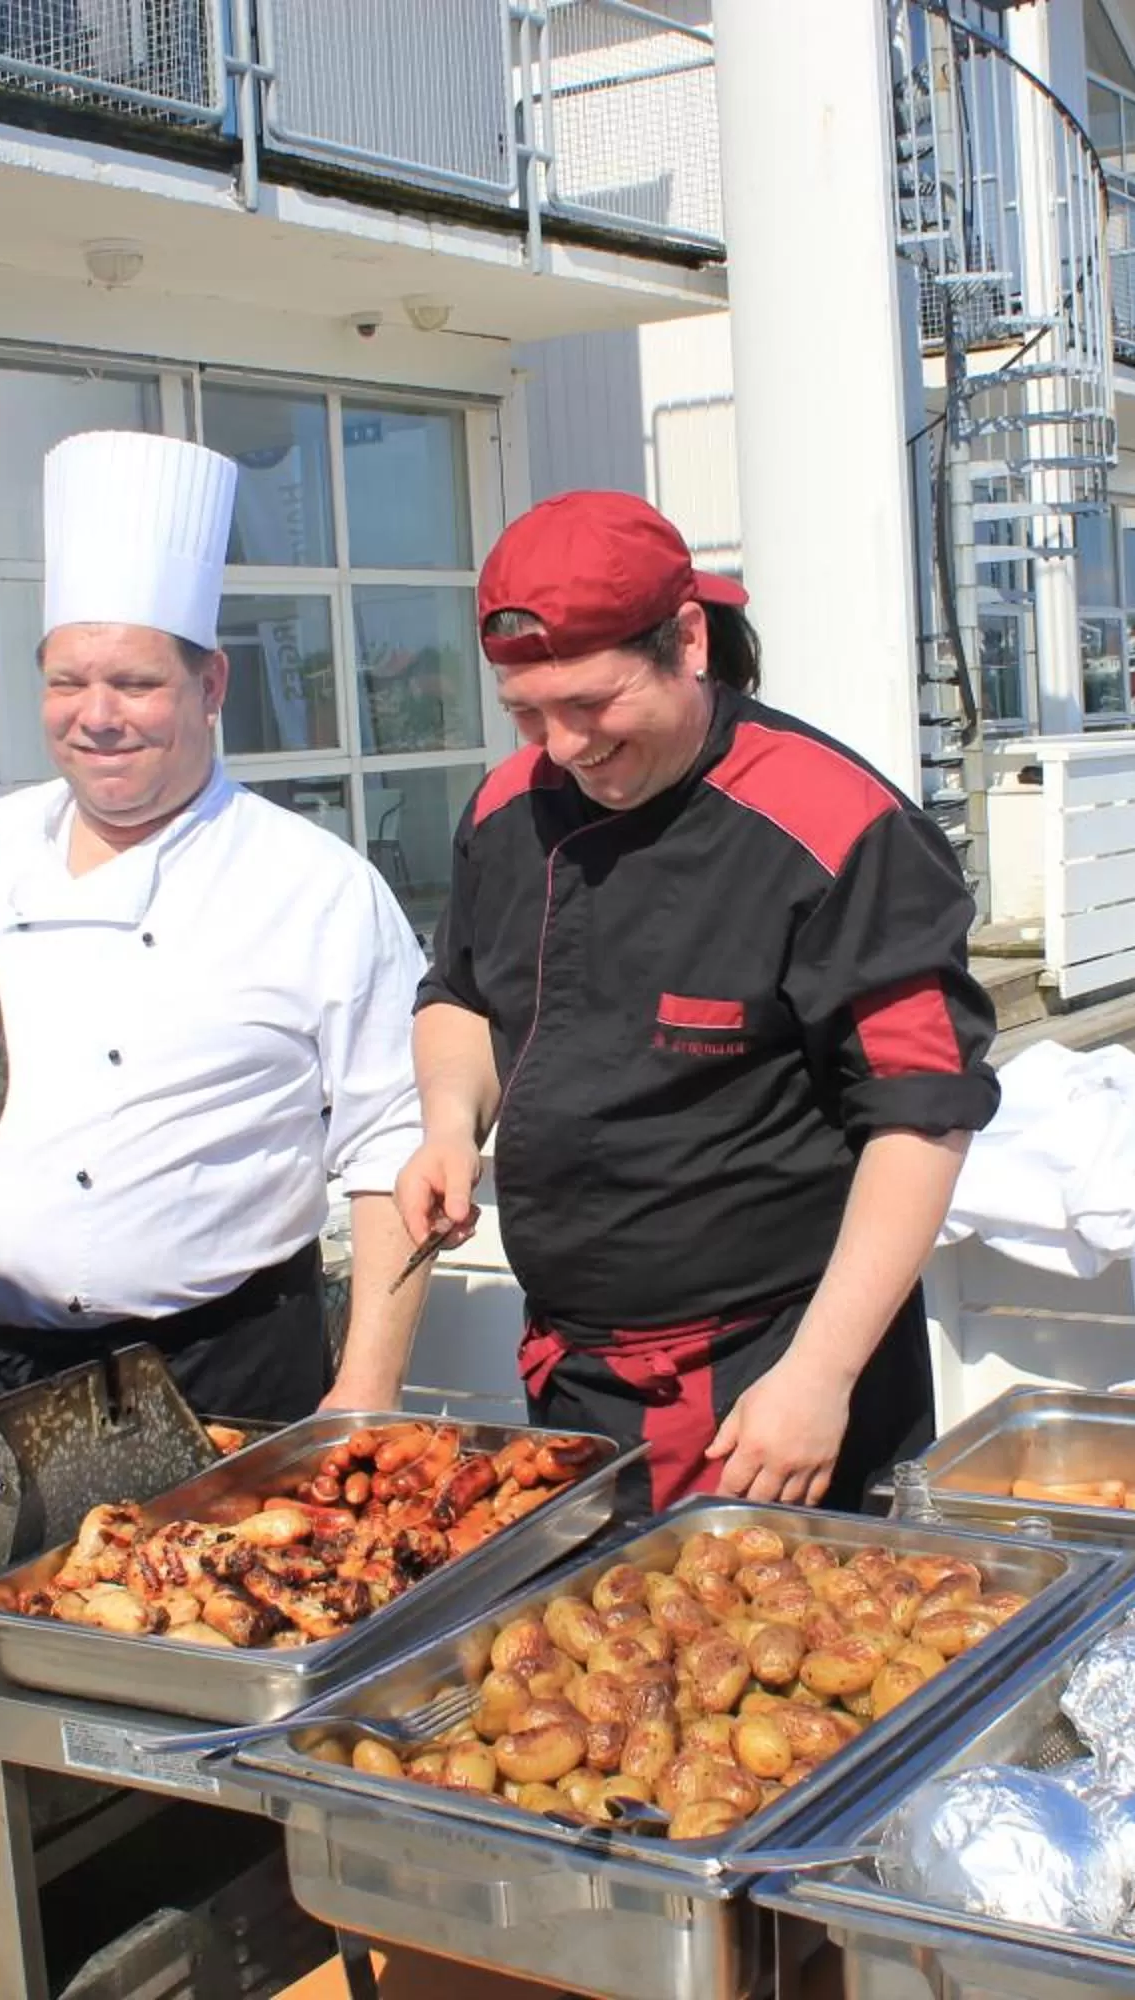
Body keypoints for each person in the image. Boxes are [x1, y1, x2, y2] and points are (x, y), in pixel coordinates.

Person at [398, 490, 1000, 1511]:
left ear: (686, 639)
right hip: (572, 1367)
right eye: (526, 712)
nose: (561, 747)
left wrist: (819, 1375)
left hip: (768, 1378)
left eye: (591, 704)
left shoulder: (838, 826)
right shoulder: (508, 809)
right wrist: (451, 1123)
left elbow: (923, 1114)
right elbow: (458, 992)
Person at [0, 430, 434, 1424]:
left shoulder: (316, 883)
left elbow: (394, 1147)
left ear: (211, 689)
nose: (98, 714)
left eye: (136, 683)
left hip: (224, 1371)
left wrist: (366, 1391)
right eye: (68, 681)